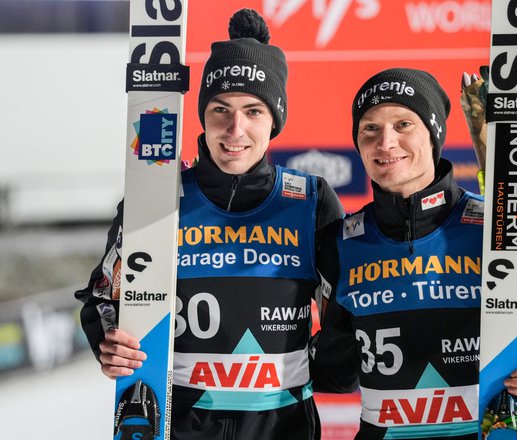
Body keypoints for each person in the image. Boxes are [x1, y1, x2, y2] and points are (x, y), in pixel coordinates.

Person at [75, 9, 343, 440]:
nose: (235, 129)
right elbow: (105, 296)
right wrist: (110, 340)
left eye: (253, 111)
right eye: (221, 109)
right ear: (202, 114)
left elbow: (345, 314)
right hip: (179, 423)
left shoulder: (310, 201)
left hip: (280, 427)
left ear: (273, 120)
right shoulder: (157, 196)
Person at [309, 68, 517, 440]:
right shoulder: (340, 243)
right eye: (370, 128)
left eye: (404, 124)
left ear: (434, 135)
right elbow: (337, 374)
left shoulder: (497, 229)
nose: (385, 142)